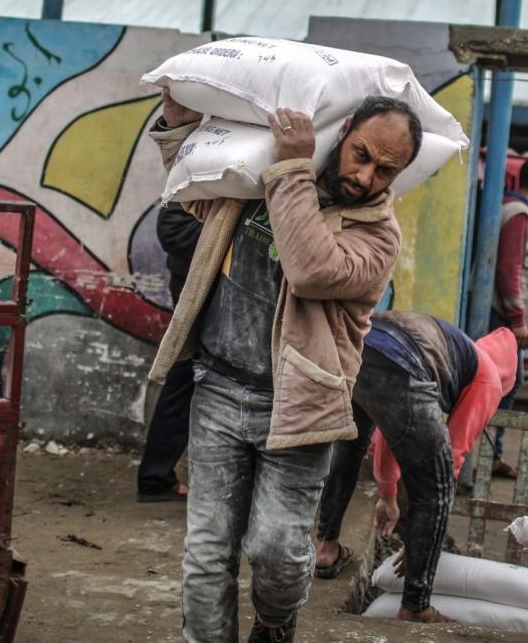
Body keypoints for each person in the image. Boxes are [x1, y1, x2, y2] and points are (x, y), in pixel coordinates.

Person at [148, 91, 421, 643]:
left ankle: (274, 624)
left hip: (301, 408)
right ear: (343, 131)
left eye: (385, 170)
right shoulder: (260, 179)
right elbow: (196, 190)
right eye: (362, 155)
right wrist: (177, 123)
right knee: (206, 554)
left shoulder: (377, 236)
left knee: (277, 554)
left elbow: (310, 269)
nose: (367, 176)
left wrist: (293, 167)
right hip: (219, 388)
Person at [312, 312, 518, 624]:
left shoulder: (459, 350)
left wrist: (388, 495)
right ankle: (416, 605)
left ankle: (326, 547)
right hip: (398, 357)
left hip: (359, 343)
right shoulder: (489, 379)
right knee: (437, 490)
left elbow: (389, 427)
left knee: (349, 445)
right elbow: (451, 458)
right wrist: (424, 541)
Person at [489, 157, 528, 479]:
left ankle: (489, 455)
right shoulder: (518, 213)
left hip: (502, 316)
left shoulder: (512, 209)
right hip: (502, 318)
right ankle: (488, 455)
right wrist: (517, 320)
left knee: (505, 385)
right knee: (506, 386)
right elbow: (509, 268)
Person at [136, 205, 202, 502]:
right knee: (185, 375)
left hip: (205, 285)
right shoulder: (203, 160)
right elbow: (172, 228)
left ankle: (157, 476)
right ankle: (155, 477)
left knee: (187, 377)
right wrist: (238, 238)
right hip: (198, 287)